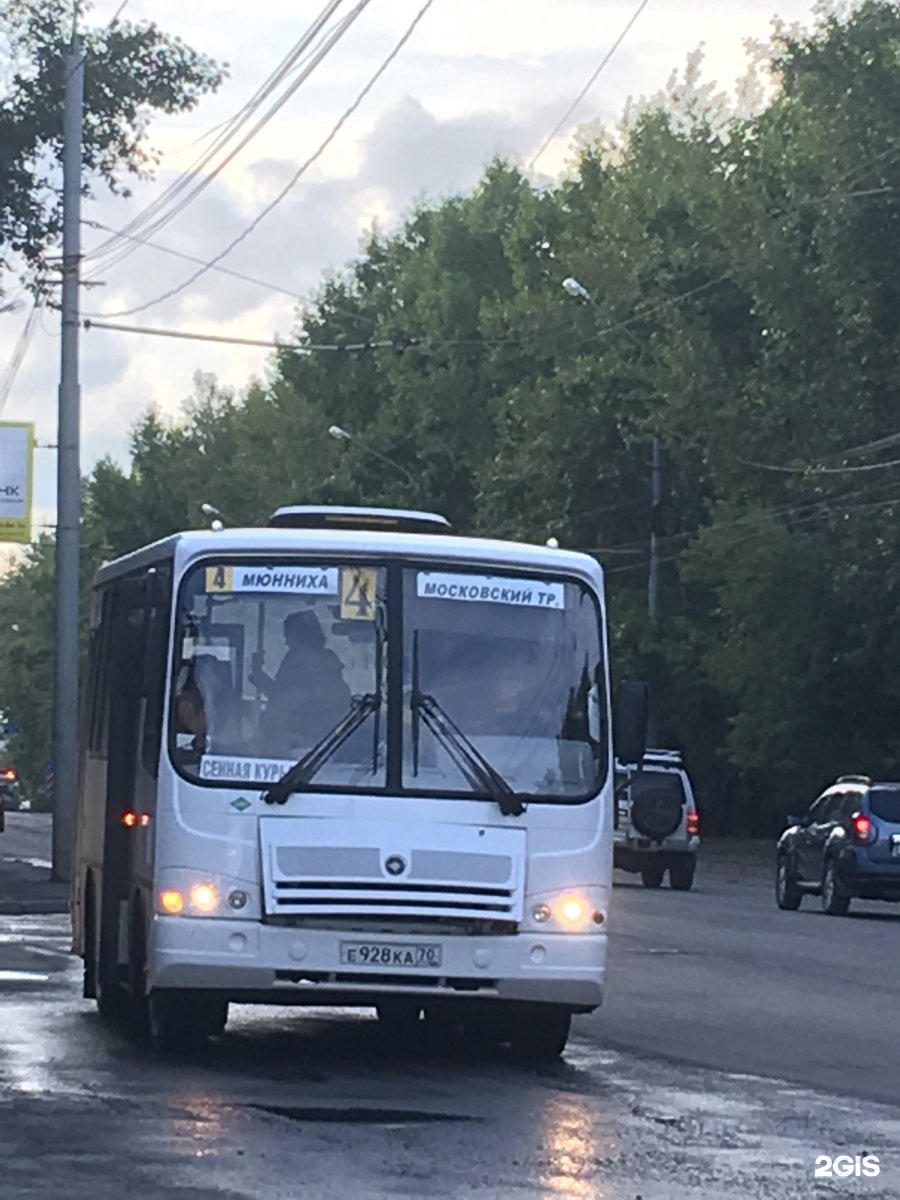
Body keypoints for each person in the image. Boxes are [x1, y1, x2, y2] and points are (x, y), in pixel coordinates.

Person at [249, 610, 352, 756]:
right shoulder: (294, 659)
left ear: (302, 637)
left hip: (316, 745)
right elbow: (280, 694)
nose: (286, 642)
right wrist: (258, 673)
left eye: (289, 636)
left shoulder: (325, 673)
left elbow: (284, 698)